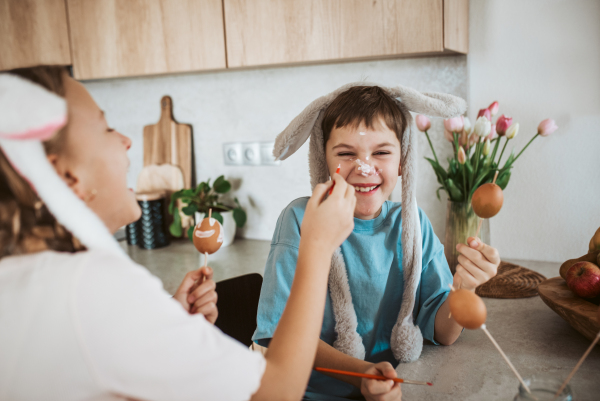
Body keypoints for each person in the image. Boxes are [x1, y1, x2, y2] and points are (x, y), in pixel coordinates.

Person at [0, 67, 357, 401]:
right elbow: (275, 392)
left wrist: (163, 322)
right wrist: (317, 245)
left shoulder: (25, 277)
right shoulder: (93, 287)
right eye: (106, 128)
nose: (125, 140)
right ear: (63, 177)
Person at [252, 85, 501, 400]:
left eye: (381, 152)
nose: (364, 167)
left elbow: (444, 333)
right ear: (324, 161)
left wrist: (464, 288)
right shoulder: (301, 220)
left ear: (401, 161)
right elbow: (278, 337)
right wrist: (360, 375)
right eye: (346, 154)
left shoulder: (414, 225)